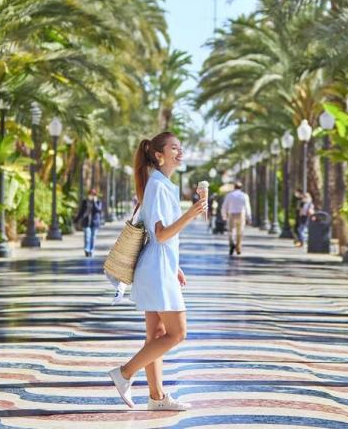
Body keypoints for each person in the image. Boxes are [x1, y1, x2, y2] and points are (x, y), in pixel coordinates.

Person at [108, 132, 207, 412]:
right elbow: (162, 234)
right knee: (177, 334)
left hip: (159, 267)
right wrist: (191, 214)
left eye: (181, 147)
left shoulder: (161, 184)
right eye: (174, 148)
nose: (180, 152)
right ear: (159, 155)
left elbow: (158, 235)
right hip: (156, 269)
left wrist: (175, 266)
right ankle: (125, 373)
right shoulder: (159, 186)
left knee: (156, 336)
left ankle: (156, 397)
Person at [221, 181, 251, 256]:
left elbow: (224, 206)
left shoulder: (229, 195)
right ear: (241, 188)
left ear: (234, 187)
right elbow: (247, 207)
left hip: (231, 214)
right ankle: (238, 248)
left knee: (230, 231)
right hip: (241, 214)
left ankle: (231, 244)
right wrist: (249, 217)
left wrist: (224, 215)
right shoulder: (244, 195)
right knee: (240, 232)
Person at [74, 188, 103, 257]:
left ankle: (91, 250)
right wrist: (76, 219)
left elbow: (98, 210)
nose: (92, 195)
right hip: (86, 222)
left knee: (93, 237)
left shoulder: (98, 202)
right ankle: (87, 250)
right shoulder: (85, 201)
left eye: (94, 194)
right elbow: (81, 211)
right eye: (91, 194)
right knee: (87, 236)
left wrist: (94, 202)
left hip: (95, 222)